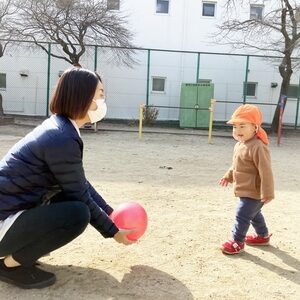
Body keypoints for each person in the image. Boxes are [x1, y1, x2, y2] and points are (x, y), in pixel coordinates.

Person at [0, 67, 135, 289]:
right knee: (77, 213)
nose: (103, 100)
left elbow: (78, 183)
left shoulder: (61, 128)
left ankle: (17, 257)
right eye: (100, 94)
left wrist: (111, 214)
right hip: (4, 218)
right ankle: (8, 265)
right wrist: (113, 232)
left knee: (70, 200)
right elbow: (80, 194)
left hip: (10, 210)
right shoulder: (61, 137)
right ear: (84, 97)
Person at [219, 104, 274, 255]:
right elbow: (236, 165)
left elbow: (266, 170)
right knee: (254, 214)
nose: (237, 131)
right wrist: (228, 176)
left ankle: (237, 241)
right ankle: (262, 236)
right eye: (235, 127)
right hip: (245, 190)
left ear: (255, 127)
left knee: (242, 214)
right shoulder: (239, 145)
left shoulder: (258, 146)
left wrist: (267, 192)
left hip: (255, 192)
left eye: (242, 126)